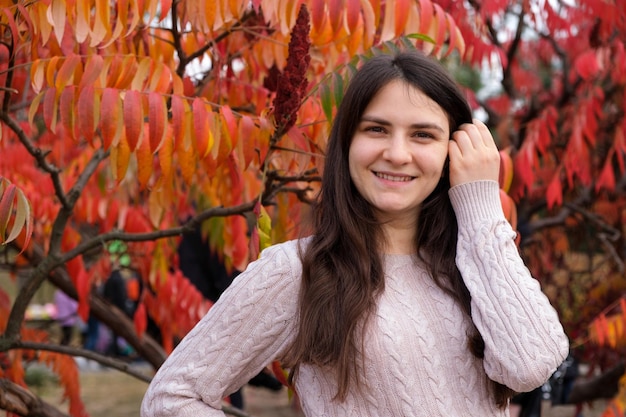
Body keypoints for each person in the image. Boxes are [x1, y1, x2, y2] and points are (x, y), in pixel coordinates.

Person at [141, 50, 569, 416]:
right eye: (376, 129)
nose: (397, 154)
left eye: (423, 135)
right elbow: (172, 398)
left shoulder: (474, 264)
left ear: (453, 153)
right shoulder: (297, 271)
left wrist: (479, 203)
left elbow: (531, 365)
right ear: (347, 142)